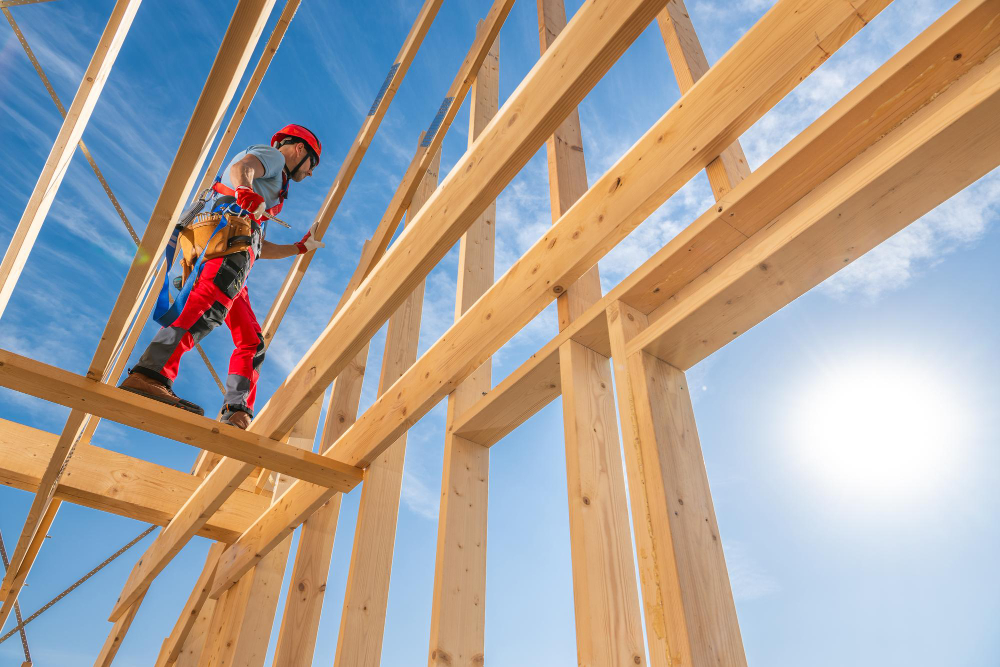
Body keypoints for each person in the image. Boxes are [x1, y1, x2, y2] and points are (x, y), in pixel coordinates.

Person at [119, 124, 325, 429]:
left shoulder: (266, 192)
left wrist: (297, 248)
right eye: (312, 164)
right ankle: (149, 374)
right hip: (226, 244)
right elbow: (243, 168)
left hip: (237, 249)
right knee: (208, 305)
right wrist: (244, 188)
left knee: (252, 341)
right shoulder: (273, 158)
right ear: (299, 149)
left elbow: (259, 245)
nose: (309, 173)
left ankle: (236, 410)